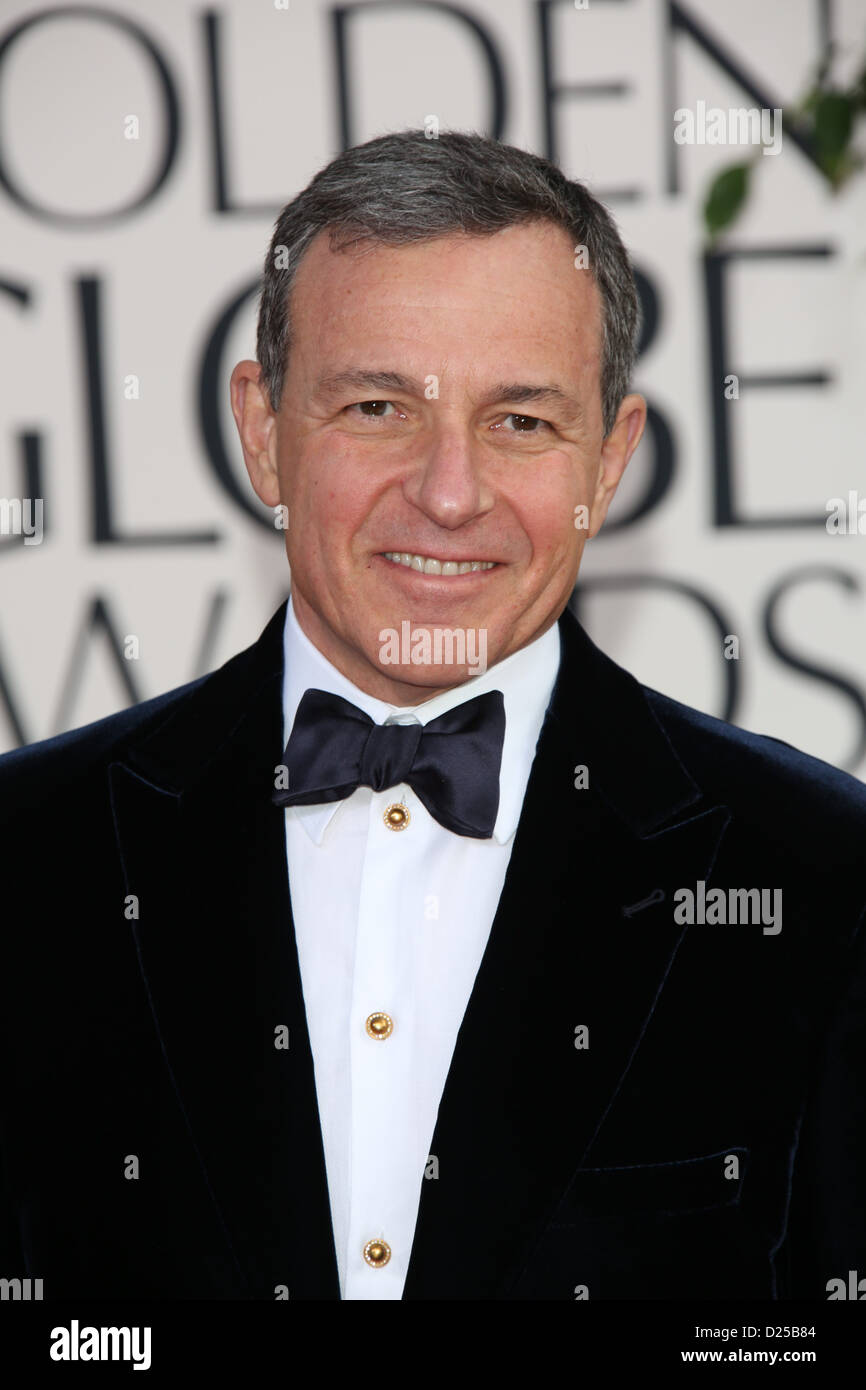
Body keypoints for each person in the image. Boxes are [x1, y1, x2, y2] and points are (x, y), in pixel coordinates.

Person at [0, 130, 863, 1302]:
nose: (449, 493)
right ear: (261, 431)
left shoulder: (820, 871)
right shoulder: (32, 851)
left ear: (607, 464)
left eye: (520, 422)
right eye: (375, 406)